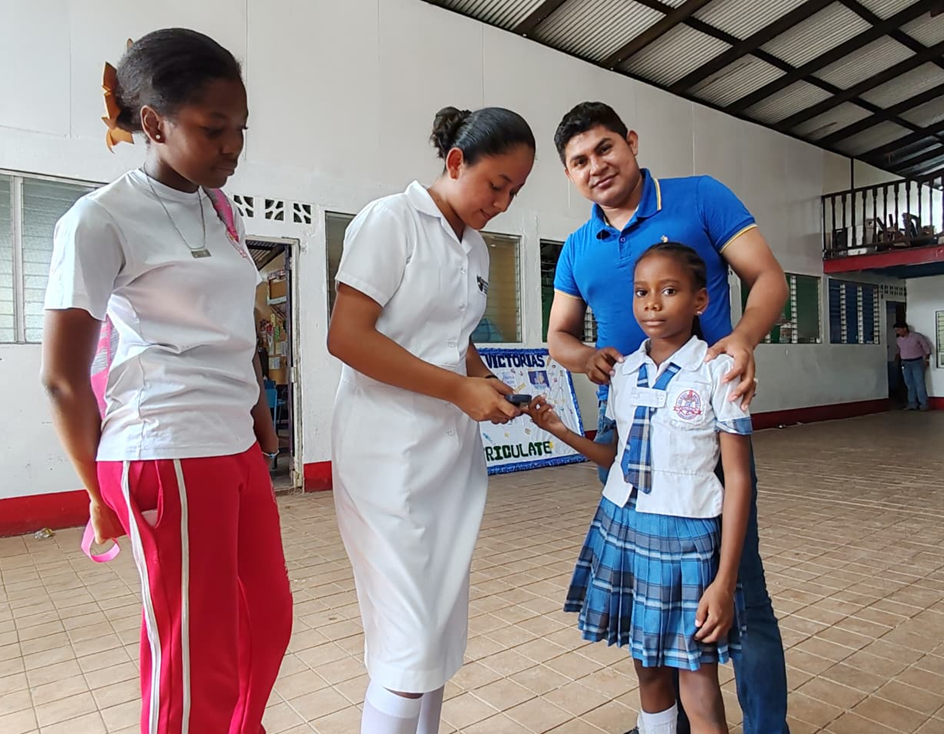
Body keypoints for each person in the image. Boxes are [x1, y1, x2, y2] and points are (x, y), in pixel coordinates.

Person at [40, 29, 292, 734]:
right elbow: (61, 377)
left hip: (231, 443)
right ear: (154, 122)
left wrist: (257, 406)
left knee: (265, 618)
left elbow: (232, 316)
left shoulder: (219, 208)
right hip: (165, 448)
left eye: (240, 128)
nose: (233, 146)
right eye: (214, 129)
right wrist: (96, 493)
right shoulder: (100, 219)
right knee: (193, 652)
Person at [547, 102, 790, 734]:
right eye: (579, 161)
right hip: (625, 430)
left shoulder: (701, 197)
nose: (595, 167)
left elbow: (767, 277)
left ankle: (767, 727)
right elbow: (559, 337)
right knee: (650, 597)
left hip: (698, 429)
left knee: (738, 596)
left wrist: (741, 340)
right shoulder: (579, 245)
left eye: (604, 149)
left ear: (631, 141)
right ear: (568, 174)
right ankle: (668, 725)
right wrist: (587, 357)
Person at [326, 106, 535, 734]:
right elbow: (347, 337)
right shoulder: (391, 221)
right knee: (407, 641)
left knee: (438, 632)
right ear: (454, 163)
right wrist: (457, 388)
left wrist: (483, 382)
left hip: (448, 462)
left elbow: (453, 338)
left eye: (515, 192)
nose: (501, 202)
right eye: (495, 184)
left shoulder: (475, 248)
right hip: (386, 460)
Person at [529, 243, 751, 734]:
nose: (652, 303)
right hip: (622, 525)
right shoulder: (623, 372)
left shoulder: (718, 372)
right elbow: (618, 460)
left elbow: (738, 479)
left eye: (669, 291)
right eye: (641, 292)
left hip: (685, 536)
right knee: (645, 659)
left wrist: (724, 581)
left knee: (696, 674)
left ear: (699, 301)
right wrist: (562, 431)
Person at [894, 321, 932, 411]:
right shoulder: (898, 340)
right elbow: (900, 351)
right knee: (909, 384)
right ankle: (912, 404)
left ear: (905, 329)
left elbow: (926, 347)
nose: (897, 332)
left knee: (919, 383)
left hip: (917, 362)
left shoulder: (916, 337)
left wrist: (926, 359)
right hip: (905, 363)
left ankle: (923, 404)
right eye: (896, 330)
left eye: (898, 330)